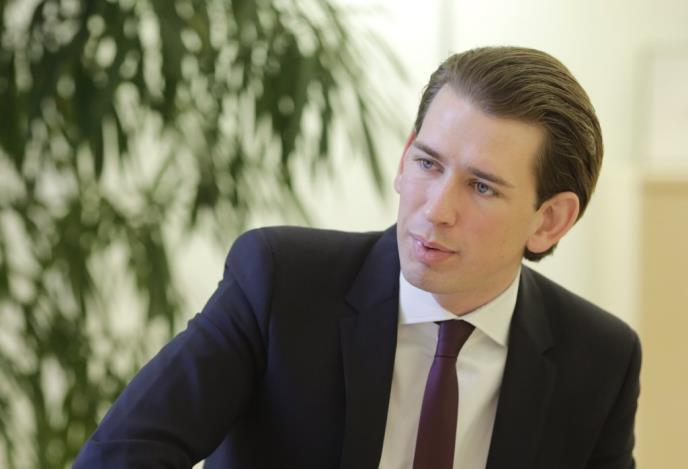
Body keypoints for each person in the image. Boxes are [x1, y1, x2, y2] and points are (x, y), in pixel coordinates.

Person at [74, 46, 641, 469]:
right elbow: (119, 457)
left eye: (482, 187)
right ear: (404, 157)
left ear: (549, 220)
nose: (435, 209)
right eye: (428, 163)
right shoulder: (279, 283)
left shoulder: (600, 358)